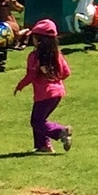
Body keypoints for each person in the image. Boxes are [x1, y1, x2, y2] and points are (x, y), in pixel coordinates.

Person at [15, 20, 73, 153]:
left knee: (36, 121)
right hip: (57, 93)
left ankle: (61, 132)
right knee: (40, 119)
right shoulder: (57, 55)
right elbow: (66, 72)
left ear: (38, 40)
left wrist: (20, 85)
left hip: (44, 95)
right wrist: (56, 81)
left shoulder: (35, 57)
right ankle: (43, 145)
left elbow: (30, 75)